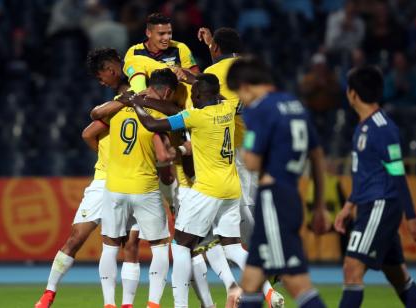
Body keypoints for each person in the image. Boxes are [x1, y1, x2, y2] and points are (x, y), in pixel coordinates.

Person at [123, 74, 244, 308]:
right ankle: (264, 291)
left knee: (180, 246)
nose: (192, 98)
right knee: (232, 246)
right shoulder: (228, 108)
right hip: (232, 188)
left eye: (195, 94)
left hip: (207, 189)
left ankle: (181, 305)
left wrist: (136, 104)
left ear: (199, 95)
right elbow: (212, 97)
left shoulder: (195, 116)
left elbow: (153, 124)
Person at [34, 48, 141, 308]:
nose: (101, 81)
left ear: (111, 69)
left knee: (122, 243)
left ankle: (118, 303)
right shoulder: (119, 104)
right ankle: (49, 294)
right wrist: (109, 160)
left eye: (100, 76)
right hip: (108, 180)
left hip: (131, 180)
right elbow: (87, 132)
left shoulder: (133, 101)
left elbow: (87, 133)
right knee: (87, 240)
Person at [226, 56, 329, 308]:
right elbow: (317, 155)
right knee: (250, 282)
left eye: (239, 93)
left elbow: (251, 162)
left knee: (297, 282)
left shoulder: (261, 108)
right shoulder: (295, 104)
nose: (242, 100)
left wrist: (247, 142)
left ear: (246, 86)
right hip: (290, 194)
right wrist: (319, 205)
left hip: (273, 199)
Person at [197, 26, 285, 308]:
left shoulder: (219, 72)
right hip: (265, 145)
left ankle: (268, 256)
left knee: (236, 214)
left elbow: (210, 96)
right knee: (255, 207)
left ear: (216, 49)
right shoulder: (253, 69)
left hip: (235, 147)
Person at [334, 66, 416, 308]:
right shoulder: (364, 126)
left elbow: (397, 171)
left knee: (351, 268)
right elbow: (364, 175)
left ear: (353, 94)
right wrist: (348, 206)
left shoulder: (383, 128)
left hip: (380, 205)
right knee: (398, 276)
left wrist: (412, 216)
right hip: (369, 205)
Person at [97, 61, 177, 308]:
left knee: (110, 246)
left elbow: (94, 117)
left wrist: (124, 100)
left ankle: (110, 304)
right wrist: (171, 167)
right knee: (160, 247)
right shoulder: (159, 114)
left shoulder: (119, 106)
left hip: (114, 188)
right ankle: (153, 304)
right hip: (144, 188)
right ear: (166, 92)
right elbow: (163, 157)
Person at [124, 12, 199, 94]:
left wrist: (183, 71)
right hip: (147, 98)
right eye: (161, 34)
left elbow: (197, 77)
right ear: (148, 33)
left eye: (169, 33)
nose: (167, 38)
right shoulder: (134, 52)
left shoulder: (180, 47)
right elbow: (130, 82)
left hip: (175, 97)